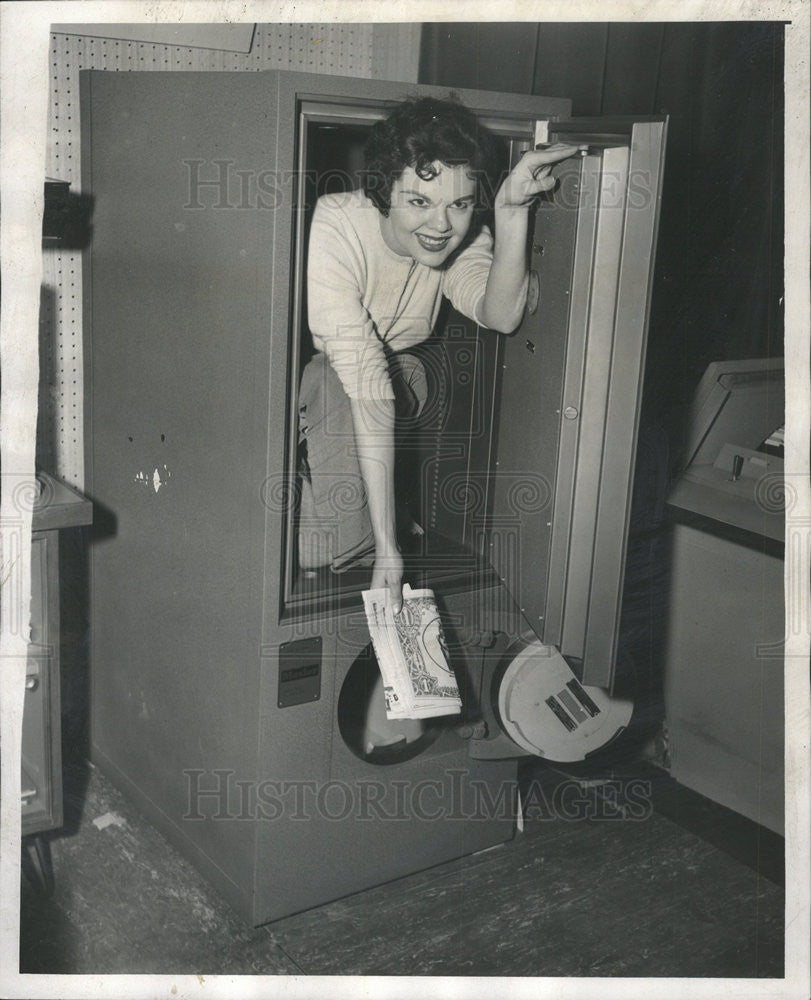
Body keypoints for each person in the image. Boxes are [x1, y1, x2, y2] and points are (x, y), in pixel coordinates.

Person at [298, 95, 582, 613]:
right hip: (313, 385)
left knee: (408, 377)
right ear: (385, 191)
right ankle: (363, 538)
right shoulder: (336, 224)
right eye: (420, 202)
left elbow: (500, 314)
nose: (441, 226)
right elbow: (363, 383)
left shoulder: (460, 237)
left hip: (393, 379)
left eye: (459, 203)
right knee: (319, 553)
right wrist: (387, 548)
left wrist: (511, 214)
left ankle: (369, 530)